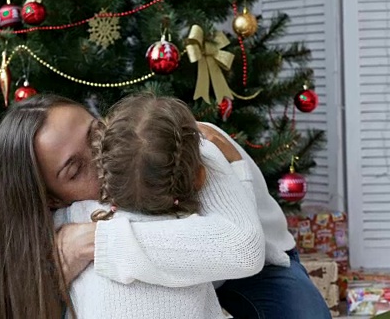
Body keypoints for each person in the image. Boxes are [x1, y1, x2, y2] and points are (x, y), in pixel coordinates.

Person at [0, 93, 330, 319]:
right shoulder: (45, 210)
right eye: (76, 168)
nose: (104, 156)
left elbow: (241, 251)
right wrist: (55, 263)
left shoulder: (178, 146)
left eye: (95, 132)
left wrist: (93, 241)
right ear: (51, 196)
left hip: (257, 266)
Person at [55, 94, 263, 318]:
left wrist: (102, 241)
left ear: (105, 171)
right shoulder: (196, 230)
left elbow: (243, 248)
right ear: (200, 177)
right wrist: (237, 168)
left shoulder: (74, 216)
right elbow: (239, 248)